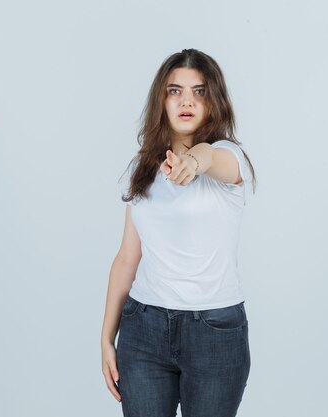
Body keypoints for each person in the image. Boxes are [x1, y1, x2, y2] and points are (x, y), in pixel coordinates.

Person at [101, 48, 257, 417]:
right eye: (175, 91)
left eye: (199, 91)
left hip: (214, 333)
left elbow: (210, 158)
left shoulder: (229, 158)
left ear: (213, 101)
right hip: (143, 329)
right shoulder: (142, 169)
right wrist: (106, 339)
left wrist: (191, 161)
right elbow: (127, 258)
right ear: (162, 99)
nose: (186, 100)